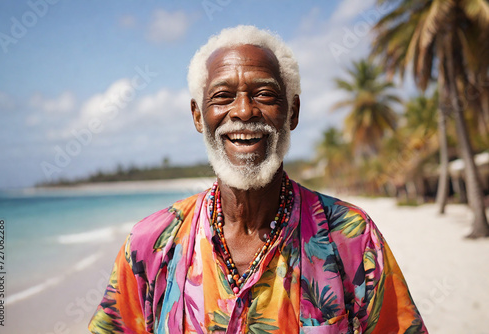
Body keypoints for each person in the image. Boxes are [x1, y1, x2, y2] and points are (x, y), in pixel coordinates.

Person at [89, 25, 428, 334]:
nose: (243, 111)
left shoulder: (351, 237)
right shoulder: (151, 244)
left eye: (264, 94)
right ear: (198, 116)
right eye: (223, 96)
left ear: (291, 112)